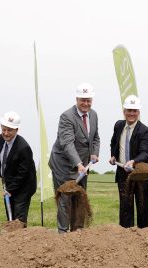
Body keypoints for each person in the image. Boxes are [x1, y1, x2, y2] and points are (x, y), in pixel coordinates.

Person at [49, 83, 100, 233]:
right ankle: (63, 233)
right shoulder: (67, 117)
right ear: (76, 99)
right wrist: (78, 163)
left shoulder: (94, 115)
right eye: (82, 100)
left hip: (83, 165)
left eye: (88, 100)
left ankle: (77, 231)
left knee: (80, 197)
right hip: (63, 164)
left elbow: (95, 137)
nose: (85, 103)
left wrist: (94, 153)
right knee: (65, 198)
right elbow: (67, 144)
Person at [109, 95, 148, 228]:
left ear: (138, 113)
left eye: (134, 111)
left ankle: (143, 235)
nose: (131, 113)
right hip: (123, 173)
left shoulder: (145, 131)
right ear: (124, 111)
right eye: (129, 110)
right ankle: (126, 237)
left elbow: (145, 152)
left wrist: (133, 161)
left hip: (140, 174)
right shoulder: (118, 125)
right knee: (125, 207)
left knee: (142, 206)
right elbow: (113, 142)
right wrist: (113, 156)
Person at [0, 111, 37, 226]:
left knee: (19, 218)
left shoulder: (24, 148)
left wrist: (10, 188)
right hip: (9, 183)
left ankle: (20, 240)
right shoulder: (1, 138)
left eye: (9, 130)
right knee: (10, 216)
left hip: (24, 187)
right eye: (4, 129)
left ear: (17, 130)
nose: (6, 133)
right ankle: (11, 241)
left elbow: (23, 173)